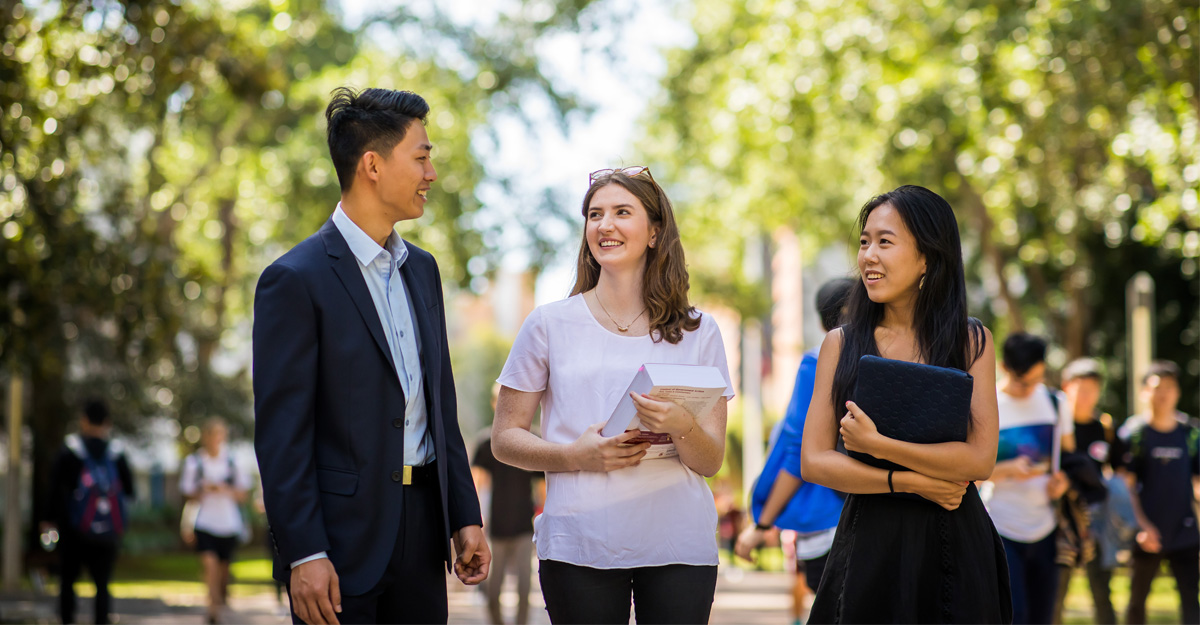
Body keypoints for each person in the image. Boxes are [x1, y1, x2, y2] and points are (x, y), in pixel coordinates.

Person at [253, 87, 490, 625]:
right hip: (338, 545)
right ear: (373, 165)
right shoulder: (294, 280)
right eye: (422, 156)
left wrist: (463, 516)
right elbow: (281, 435)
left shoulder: (423, 271)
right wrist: (305, 552)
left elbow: (439, 407)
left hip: (423, 532)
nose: (431, 173)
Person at [491, 166, 734, 624]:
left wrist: (681, 426)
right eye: (594, 214)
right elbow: (505, 438)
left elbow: (710, 460)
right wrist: (576, 456)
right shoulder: (548, 324)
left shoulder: (700, 331)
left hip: (677, 543)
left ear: (655, 232)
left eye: (623, 212)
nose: (605, 225)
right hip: (579, 544)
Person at [799, 185, 1011, 623]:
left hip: (955, 542)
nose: (868, 256)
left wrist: (880, 446)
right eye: (864, 241)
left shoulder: (971, 342)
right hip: (871, 543)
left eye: (885, 242)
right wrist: (911, 482)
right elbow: (815, 462)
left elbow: (979, 459)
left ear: (927, 258)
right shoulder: (839, 344)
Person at [735, 277, 853, 624]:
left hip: (826, 526)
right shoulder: (893, 358)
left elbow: (797, 450)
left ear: (822, 322)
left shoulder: (818, 362)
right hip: (880, 515)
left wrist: (763, 521)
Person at [984, 333, 1073, 625]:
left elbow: (1070, 460)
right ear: (1003, 366)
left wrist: (1064, 482)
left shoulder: (1056, 402)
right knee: (1014, 614)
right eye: (1023, 382)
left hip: (1046, 526)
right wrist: (1007, 469)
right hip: (1001, 525)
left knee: (1042, 616)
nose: (1029, 389)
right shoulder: (987, 405)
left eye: (1036, 379)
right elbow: (968, 474)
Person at [1119, 360, 1200, 625]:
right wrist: (1141, 526)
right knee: (1136, 603)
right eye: (1156, 387)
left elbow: (1197, 484)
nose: (1163, 394)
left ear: (1177, 392)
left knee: (1191, 602)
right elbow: (1125, 487)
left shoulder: (1191, 434)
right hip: (1147, 533)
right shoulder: (1133, 435)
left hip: (1185, 532)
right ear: (1144, 392)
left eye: (1169, 387)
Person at [43, 398, 134, 625]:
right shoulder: (116, 453)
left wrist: (47, 521)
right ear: (107, 422)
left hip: (73, 527)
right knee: (102, 583)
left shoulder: (70, 451)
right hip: (107, 532)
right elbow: (130, 491)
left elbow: (53, 488)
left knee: (68, 581)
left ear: (84, 421)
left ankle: (67, 619)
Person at [1051, 358, 1121, 624]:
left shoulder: (1105, 427)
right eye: (1081, 388)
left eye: (1093, 389)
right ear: (1067, 387)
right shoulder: (1056, 425)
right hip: (1063, 516)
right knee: (1058, 587)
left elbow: (1115, 472)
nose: (1087, 395)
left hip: (1096, 517)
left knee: (1102, 587)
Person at [472, 383, 541, 625]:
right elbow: (477, 484)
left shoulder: (534, 439)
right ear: (495, 404)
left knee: (524, 591)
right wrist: (474, 523)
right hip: (496, 528)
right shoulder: (485, 442)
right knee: (492, 591)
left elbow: (543, 486)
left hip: (524, 527)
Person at [179, 418, 253, 624]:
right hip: (204, 522)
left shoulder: (233, 461)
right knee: (210, 566)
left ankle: (219, 597)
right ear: (206, 437)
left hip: (228, 524)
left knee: (222, 570)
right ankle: (212, 609)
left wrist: (225, 489)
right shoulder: (195, 462)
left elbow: (243, 494)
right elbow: (187, 493)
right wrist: (203, 489)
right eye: (212, 434)